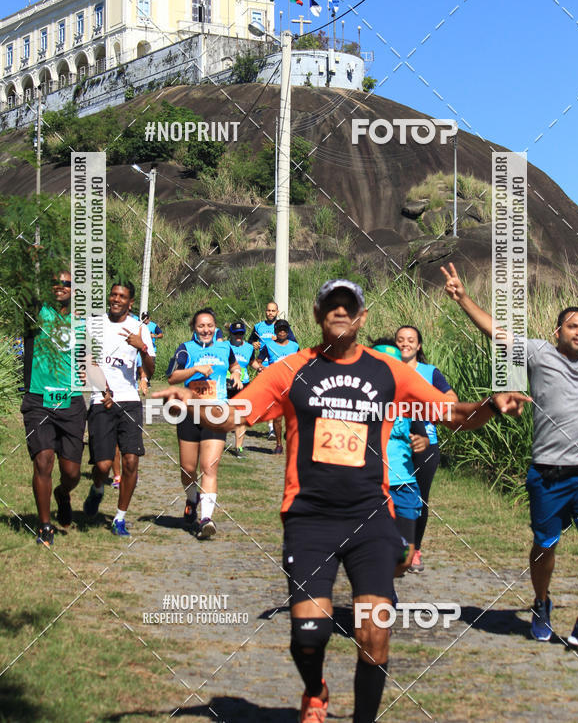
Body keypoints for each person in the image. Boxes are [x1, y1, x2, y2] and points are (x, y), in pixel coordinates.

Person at [155, 278, 529, 722]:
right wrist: (190, 405)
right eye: (330, 306)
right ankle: (316, 690)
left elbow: (450, 414)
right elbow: (237, 411)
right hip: (309, 517)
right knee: (307, 636)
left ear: (362, 317)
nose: (339, 312)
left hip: (370, 516)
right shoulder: (291, 368)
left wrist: (489, 404)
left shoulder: (389, 372)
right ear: (317, 316)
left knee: (374, 632)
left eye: (348, 306)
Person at [442, 261, 578, 649]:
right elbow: (495, 331)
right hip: (547, 472)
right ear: (557, 331)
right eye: (573, 326)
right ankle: (541, 602)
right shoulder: (538, 353)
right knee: (545, 547)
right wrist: (463, 298)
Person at [83, 281, 155, 536]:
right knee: (102, 465)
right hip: (100, 400)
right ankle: (98, 488)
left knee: (131, 460)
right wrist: (103, 390)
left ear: (130, 302)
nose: (115, 299)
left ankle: (119, 518)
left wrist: (142, 348)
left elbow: (151, 369)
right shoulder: (94, 324)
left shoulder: (140, 328)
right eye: (113, 295)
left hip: (130, 401)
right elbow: (88, 362)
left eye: (121, 296)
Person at [21, 270, 86, 546]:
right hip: (39, 400)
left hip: (71, 403)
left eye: (67, 284)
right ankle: (45, 526)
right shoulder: (38, 314)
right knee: (44, 459)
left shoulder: (82, 322)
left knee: (71, 472)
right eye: (55, 283)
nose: (60, 287)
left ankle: (63, 493)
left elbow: (88, 360)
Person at [166, 307, 242, 538]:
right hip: (190, 413)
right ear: (194, 328)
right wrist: (195, 369)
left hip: (216, 413)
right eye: (201, 326)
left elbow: (234, 365)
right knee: (188, 469)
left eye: (210, 325)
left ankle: (206, 519)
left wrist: (237, 374)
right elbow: (172, 376)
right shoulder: (185, 349)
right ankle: (192, 499)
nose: (206, 329)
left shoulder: (225, 347)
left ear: (215, 327)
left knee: (208, 467)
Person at [394, 325, 458, 573]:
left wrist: (423, 406)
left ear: (418, 346)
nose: (405, 344)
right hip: (392, 445)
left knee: (419, 499)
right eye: (400, 340)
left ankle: (415, 549)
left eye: (411, 340)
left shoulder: (430, 372)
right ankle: (392, 548)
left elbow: (451, 400)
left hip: (425, 445)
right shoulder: (386, 370)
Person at [370, 340, 429, 575]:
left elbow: (422, 435)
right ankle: (379, 591)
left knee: (403, 557)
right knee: (373, 550)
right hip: (370, 485)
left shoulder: (408, 402)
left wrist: (421, 442)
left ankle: (386, 581)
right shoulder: (357, 399)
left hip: (403, 484)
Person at [249, 301, 297, 440]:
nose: (270, 313)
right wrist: (253, 344)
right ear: (265, 311)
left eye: (273, 311)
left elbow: (293, 343)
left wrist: (280, 340)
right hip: (263, 365)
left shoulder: (283, 327)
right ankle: (271, 429)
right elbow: (248, 343)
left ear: (277, 312)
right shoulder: (258, 326)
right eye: (268, 310)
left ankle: (285, 427)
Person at [257, 320, 299, 455]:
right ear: (275, 331)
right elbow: (258, 362)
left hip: (292, 385)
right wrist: (262, 369)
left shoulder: (294, 346)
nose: (282, 332)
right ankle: (279, 444)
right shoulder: (268, 346)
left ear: (288, 331)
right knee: (278, 418)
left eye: (284, 330)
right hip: (275, 385)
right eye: (279, 330)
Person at [226, 321, 260, 457]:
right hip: (226, 383)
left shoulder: (249, 348)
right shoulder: (224, 346)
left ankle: (238, 447)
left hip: (243, 384)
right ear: (231, 334)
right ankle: (213, 443)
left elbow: (251, 362)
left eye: (241, 333)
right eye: (235, 334)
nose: (238, 336)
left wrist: (259, 368)